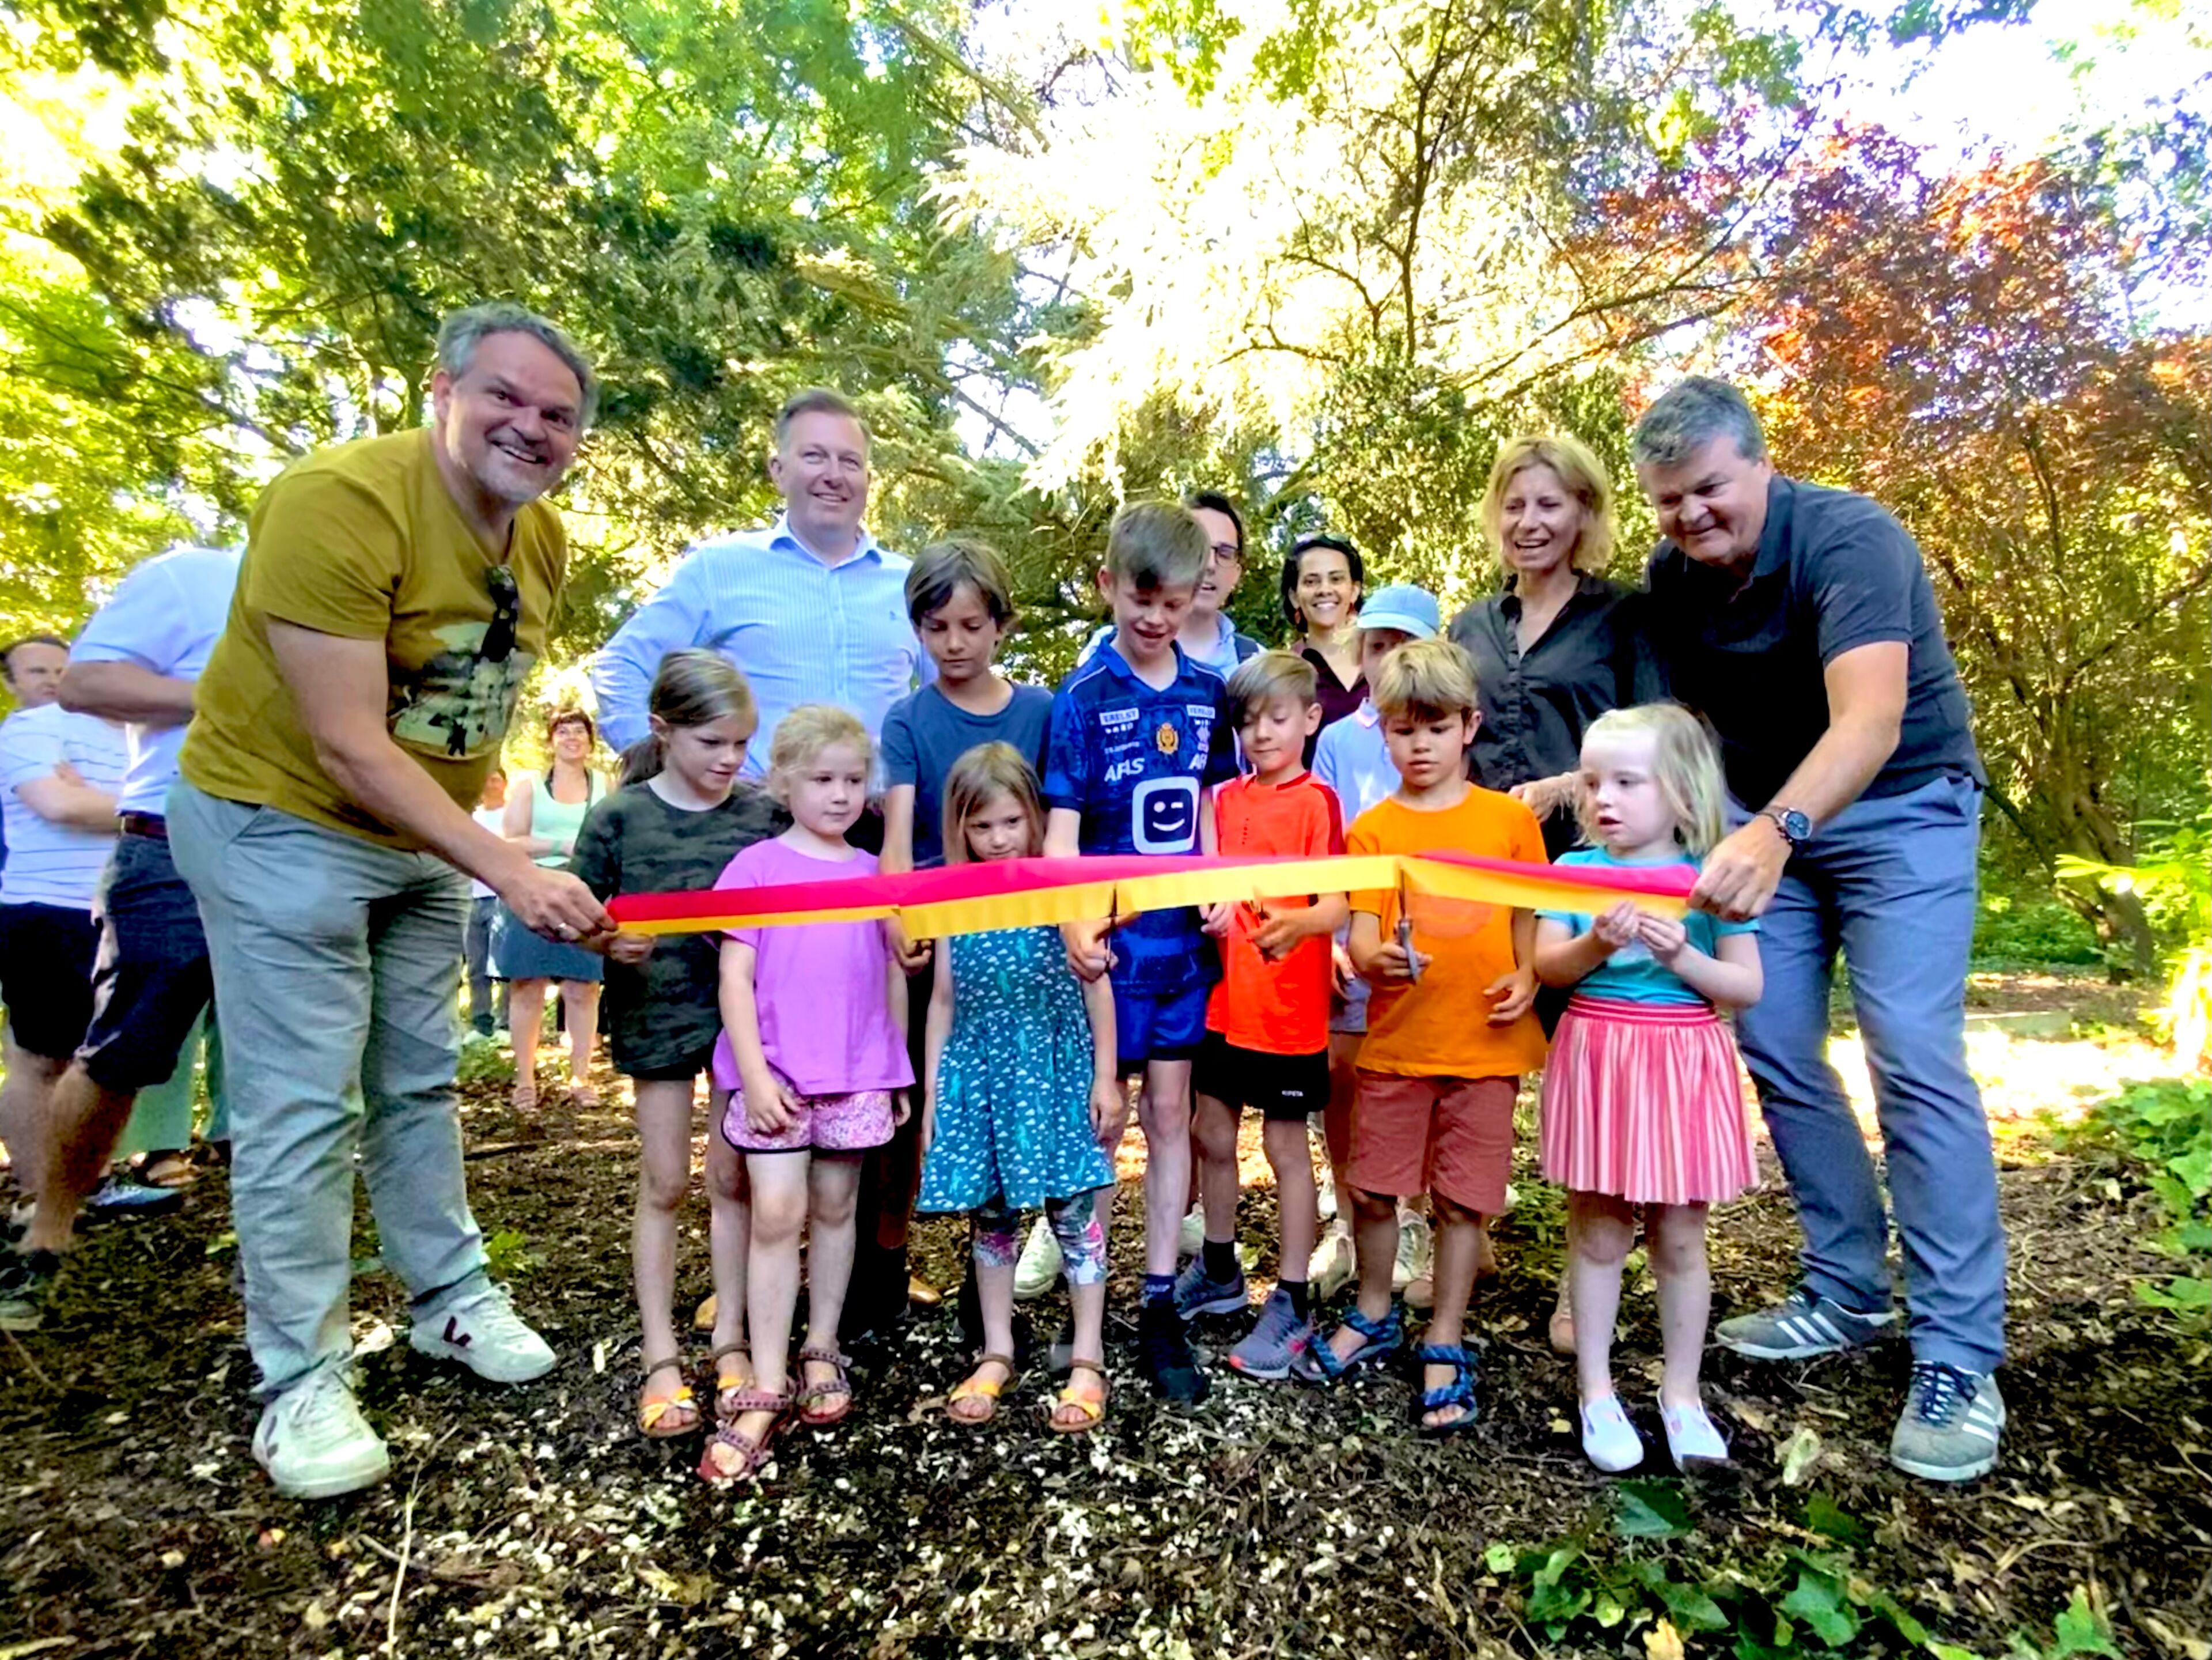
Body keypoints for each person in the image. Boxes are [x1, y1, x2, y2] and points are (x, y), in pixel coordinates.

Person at [165, 301, 612, 1499]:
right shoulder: (339, 502)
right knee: (304, 1105)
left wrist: (466, 850)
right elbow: (348, 741)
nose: (531, 426)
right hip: (281, 821)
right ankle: (301, 1379)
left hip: (421, 844)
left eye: (558, 414)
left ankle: (448, 1296)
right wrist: (509, 867)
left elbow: (472, 703)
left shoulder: (541, 539)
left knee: (417, 1080)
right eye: (505, 395)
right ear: (442, 390)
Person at [1632, 376, 2006, 1483]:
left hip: (1904, 806)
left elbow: (1871, 720)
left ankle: (1958, 1352)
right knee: (1775, 1039)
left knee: (1912, 1050)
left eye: (1709, 488)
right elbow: (1686, 725)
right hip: (1766, 822)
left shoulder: (1849, 538)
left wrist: (1776, 830)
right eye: (1668, 499)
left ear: (1761, 463)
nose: (1691, 514)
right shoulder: (1673, 577)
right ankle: (1846, 1289)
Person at [1294, 638, 1546, 1439]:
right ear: (1384, 732)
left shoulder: (1509, 822)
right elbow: (1364, 934)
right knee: (1372, 1189)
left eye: (1436, 728)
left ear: (1469, 725)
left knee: (1463, 1202)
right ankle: (1374, 1311)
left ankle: (1445, 1333)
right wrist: (1379, 959)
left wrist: (1530, 974)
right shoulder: (1374, 831)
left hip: (1485, 1044)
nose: (1421, 745)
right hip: (1397, 1045)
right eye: (1404, 730)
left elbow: (1528, 914)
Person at [0, 547, 240, 1332]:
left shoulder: (370, 586)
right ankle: (47, 1231)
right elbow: (88, 686)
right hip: (163, 846)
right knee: (122, 1049)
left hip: (305, 848)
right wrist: (235, 695)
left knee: (297, 1052)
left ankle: (283, 1264)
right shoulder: (194, 575)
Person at [1532, 705, 1763, 1473]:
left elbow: (1746, 985)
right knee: (1599, 1232)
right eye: (1593, 782)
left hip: (1683, 1059)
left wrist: (1682, 957)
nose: (1604, 798)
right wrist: (1598, 942)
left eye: (1628, 782)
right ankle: (1597, 1391)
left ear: (1682, 790)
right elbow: (1548, 968)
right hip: (1600, 1052)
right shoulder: (1573, 872)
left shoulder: (1711, 878)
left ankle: (1682, 1396)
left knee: (1682, 1236)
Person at [1044, 501, 1238, 1404]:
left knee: (1170, 1116)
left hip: (1182, 954)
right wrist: (1073, 921)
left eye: (1174, 601)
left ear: (1201, 592)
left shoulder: (1209, 692)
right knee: (1101, 1122)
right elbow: (1062, 830)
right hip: (1109, 957)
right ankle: (1085, 1300)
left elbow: (1213, 805)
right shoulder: (1083, 696)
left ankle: (1159, 1300)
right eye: (1140, 598)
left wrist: (1220, 882)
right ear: (1109, 586)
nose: (1156, 617)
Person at [570, 652, 784, 1442]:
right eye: (711, 743)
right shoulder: (617, 818)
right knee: (665, 1181)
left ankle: (731, 1337)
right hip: (655, 1016)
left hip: (742, 1026)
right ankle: (661, 1354)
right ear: (662, 731)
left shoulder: (762, 814)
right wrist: (604, 942)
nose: (729, 759)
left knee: (733, 1179)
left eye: (741, 743)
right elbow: (575, 913)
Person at [702, 706, 912, 1484]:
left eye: (854, 780)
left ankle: (821, 1345)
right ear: (785, 782)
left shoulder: (875, 874)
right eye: (823, 779)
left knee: (835, 1208)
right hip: (778, 1077)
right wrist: (752, 1077)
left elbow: (891, 975)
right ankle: (766, 1374)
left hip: (856, 1071)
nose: (840, 794)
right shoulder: (754, 868)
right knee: (776, 1214)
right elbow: (734, 977)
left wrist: (894, 1069)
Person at [859, 538, 1055, 1339]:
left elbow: (1056, 829)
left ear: (1001, 624)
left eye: (971, 625)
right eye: (936, 627)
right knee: (903, 1114)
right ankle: (880, 1273)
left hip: (1016, 944)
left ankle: (988, 1295)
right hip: (934, 936)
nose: (954, 643)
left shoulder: (1040, 711)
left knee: (1004, 1108)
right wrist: (900, 918)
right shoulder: (908, 717)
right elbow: (898, 837)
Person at [917, 744, 1122, 1433]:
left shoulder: (1062, 888)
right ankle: (997, 1348)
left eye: (1011, 821)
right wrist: (937, 1092)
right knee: (993, 1216)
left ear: (1034, 816)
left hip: (1054, 1072)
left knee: (1074, 1213)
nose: (999, 838)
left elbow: (1097, 987)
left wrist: (1105, 1076)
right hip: (981, 1074)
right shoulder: (953, 898)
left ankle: (1088, 1355)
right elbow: (943, 1000)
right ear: (960, 828)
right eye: (982, 827)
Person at [590, 387, 922, 775]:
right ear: (778, 471)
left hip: (884, 809)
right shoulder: (719, 569)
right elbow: (621, 666)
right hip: (754, 806)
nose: (834, 476)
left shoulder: (911, 584)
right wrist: (664, 771)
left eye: (850, 461)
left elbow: (958, 697)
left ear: (868, 478)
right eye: (814, 456)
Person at [1174, 652, 1346, 1378]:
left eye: (1278, 718)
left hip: (1288, 1010)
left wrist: (1297, 927)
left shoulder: (1317, 802)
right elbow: (1212, 879)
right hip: (1225, 1001)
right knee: (1210, 1130)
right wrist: (1213, 905)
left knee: (1284, 1148)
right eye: (1248, 722)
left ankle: (1294, 1297)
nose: (1262, 733)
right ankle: (1219, 1267)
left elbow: (1337, 904)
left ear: (1311, 719)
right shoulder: (1225, 800)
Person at [1306, 584, 1440, 1303]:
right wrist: (1331, 934)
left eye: (1404, 645)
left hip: (1425, 929)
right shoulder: (1338, 738)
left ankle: (1413, 1216)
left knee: (1417, 1074)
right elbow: (1328, 842)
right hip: (1350, 927)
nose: (1388, 659)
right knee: (1343, 1073)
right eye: (1377, 645)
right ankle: (1351, 1219)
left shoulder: (1445, 733)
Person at [1447, 434, 1660, 860]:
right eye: (1514, 507)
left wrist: (1566, 788)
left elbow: (1660, 744)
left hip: (1592, 857)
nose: (1528, 523)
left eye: (1548, 505)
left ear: (1583, 513)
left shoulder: (1626, 615)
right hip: (1482, 857)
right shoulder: (1469, 625)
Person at [0, 635, 130, 1325]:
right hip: (45, 908)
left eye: (63, 667)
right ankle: (39, 1197)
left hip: (123, 904)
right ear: (13, 682)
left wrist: (106, 799)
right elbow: (59, 806)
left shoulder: (129, 734)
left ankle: (76, 1188)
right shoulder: (27, 731)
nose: (53, 679)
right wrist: (141, 806)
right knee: (41, 1058)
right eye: (37, 670)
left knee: (104, 1057)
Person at [494, 708, 608, 1110]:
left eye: (579, 732)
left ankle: (581, 1078)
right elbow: (510, 841)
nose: (571, 738)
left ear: (590, 741)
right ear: (551, 740)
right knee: (527, 985)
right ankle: (525, 1081)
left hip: (585, 892)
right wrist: (561, 845)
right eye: (563, 732)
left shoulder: (605, 786)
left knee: (583, 988)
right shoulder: (529, 787)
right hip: (534, 889)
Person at [1075, 491, 1263, 678]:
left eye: (1224, 553)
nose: (1209, 565)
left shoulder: (1260, 665)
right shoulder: (1103, 651)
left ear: (1237, 573)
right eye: (1197, 549)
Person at [1279, 535, 1368, 752]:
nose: (1325, 590)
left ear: (1354, 590)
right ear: (1294, 597)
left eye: (1336, 579)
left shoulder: (1385, 662)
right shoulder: (1284, 672)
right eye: (1311, 582)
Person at [463, 769, 510, 1037]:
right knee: (476, 964)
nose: (490, 784)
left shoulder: (512, 816)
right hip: (472, 897)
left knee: (503, 963)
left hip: (502, 897)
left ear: (505, 784)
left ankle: (505, 1023)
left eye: (496, 779)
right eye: (486, 779)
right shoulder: (470, 818)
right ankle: (480, 1023)